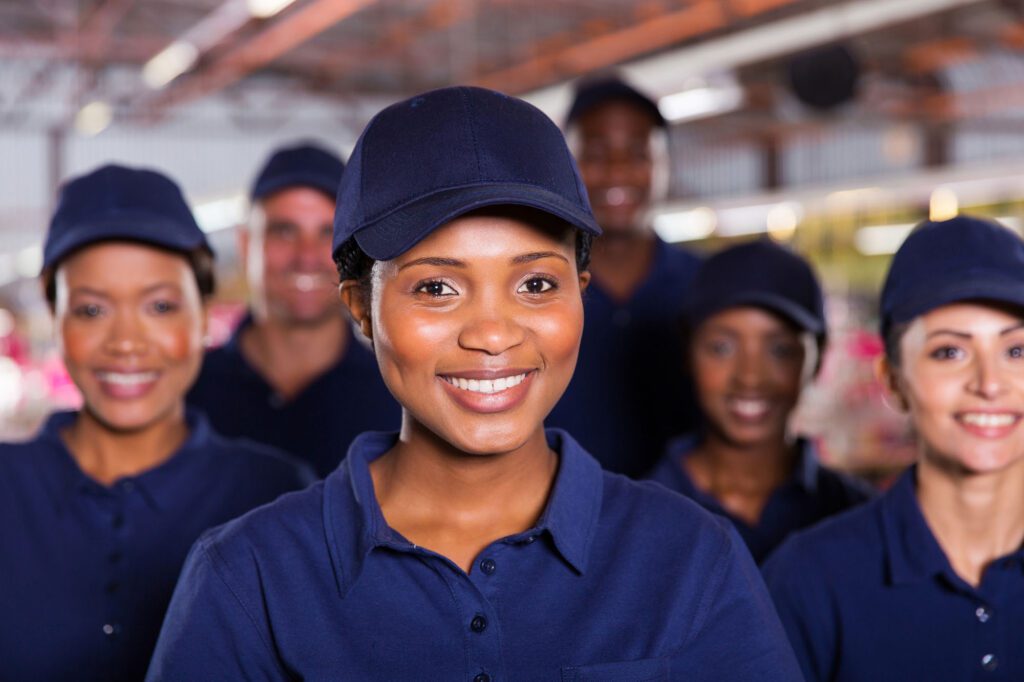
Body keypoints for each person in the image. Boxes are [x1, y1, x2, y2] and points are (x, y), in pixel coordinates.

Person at [147, 86, 802, 681]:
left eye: (536, 284)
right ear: (359, 306)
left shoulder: (690, 559)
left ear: (581, 292)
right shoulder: (249, 578)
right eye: (437, 288)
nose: (492, 334)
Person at [0, 165, 312, 682]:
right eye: (92, 310)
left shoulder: (276, 494)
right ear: (55, 318)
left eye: (160, 306)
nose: (126, 342)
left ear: (202, 315)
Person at [763, 215, 1024, 681]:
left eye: (1016, 351)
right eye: (950, 352)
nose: (989, 384)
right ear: (893, 380)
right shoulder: (810, 580)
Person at [648, 240, 872, 562]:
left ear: (819, 358)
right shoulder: (636, 519)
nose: (750, 377)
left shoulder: (858, 513)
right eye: (721, 348)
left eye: (780, 350)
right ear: (687, 352)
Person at [187, 143, 400, 476]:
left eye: (328, 233)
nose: (307, 256)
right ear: (246, 245)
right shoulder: (185, 392)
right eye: (284, 231)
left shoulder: (397, 398)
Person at [546, 76, 702, 476]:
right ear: (567, 166)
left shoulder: (706, 289)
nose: (617, 170)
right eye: (595, 154)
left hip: (685, 527)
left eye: (638, 153)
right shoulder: (531, 291)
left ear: (664, 166)